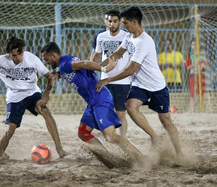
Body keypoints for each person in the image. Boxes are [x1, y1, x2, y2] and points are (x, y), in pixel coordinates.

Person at [96, 7, 183, 161]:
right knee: (130, 107)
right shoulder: (129, 37)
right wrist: (96, 68)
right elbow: (116, 54)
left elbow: (130, 69)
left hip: (156, 86)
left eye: (125, 23)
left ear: (135, 22)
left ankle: (180, 154)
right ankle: (155, 136)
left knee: (166, 121)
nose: (123, 26)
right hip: (140, 86)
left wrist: (108, 79)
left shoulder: (145, 41)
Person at [41, 42, 146, 167]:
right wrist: (55, 79)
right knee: (83, 133)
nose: (46, 62)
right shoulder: (65, 64)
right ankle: (110, 159)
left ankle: (142, 159)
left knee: (111, 136)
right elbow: (76, 69)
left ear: (53, 56)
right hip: (93, 103)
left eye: (47, 59)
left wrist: (105, 69)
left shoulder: (65, 64)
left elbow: (84, 63)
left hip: (100, 99)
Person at [0, 36, 67, 159]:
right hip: (15, 96)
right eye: (13, 56)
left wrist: (46, 94)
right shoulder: (2, 61)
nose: (17, 58)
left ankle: (60, 149)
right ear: (9, 54)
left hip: (32, 93)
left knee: (45, 111)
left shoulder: (32, 59)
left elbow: (50, 77)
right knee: (9, 129)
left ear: (23, 51)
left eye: (19, 55)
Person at [91, 9, 130, 137]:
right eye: (109, 21)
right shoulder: (101, 36)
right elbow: (96, 56)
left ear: (119, 22)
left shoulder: (126, 36)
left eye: (114, 21)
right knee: (107, 112)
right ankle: (110, 137)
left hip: (122, 81)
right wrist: (91, 72)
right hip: (105, 79)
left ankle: (123, 139)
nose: (112, 24)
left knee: (120, 113)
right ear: (105, 21)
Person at [186, 39, 209, 112]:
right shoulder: (190, 55)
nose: (194, 46)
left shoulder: (203, 54)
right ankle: (192, 110)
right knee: (192, 94)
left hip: (201, 75)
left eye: (196, 44)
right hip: (193, 76)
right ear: (191, 46)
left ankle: (202, 110)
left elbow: (207, 66)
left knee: (201, 94)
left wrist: (203, 60)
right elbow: (188, 67)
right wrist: (195, 63)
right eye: (193, 45)